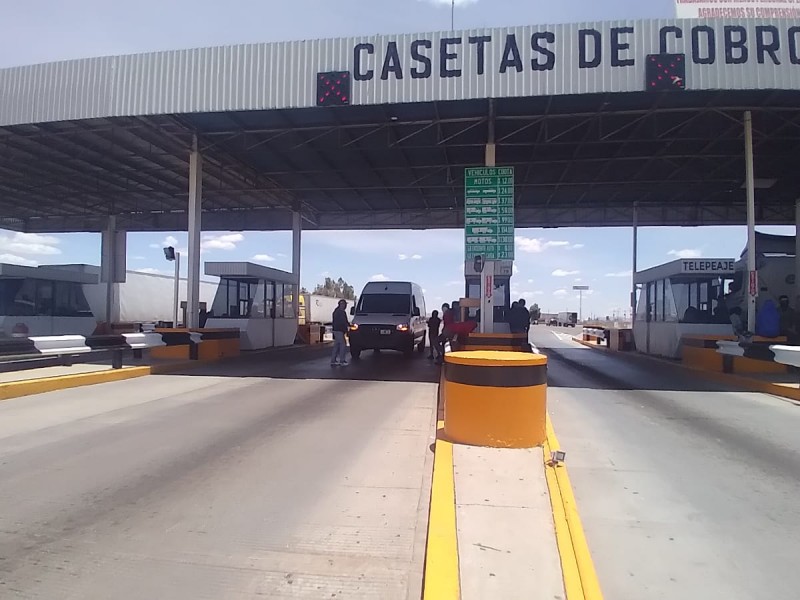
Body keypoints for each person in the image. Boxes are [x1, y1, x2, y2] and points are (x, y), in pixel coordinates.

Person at [331, 299, 350, 366]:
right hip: (339, 330)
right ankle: (342, 361)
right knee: (343, 345)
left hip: (336, 330)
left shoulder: (336, 311)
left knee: (336, 345)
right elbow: (343, 322)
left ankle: (333, 360)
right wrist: (346, 329)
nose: (345, 306)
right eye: (345, 304)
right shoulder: (341, 312)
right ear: (342, 305)